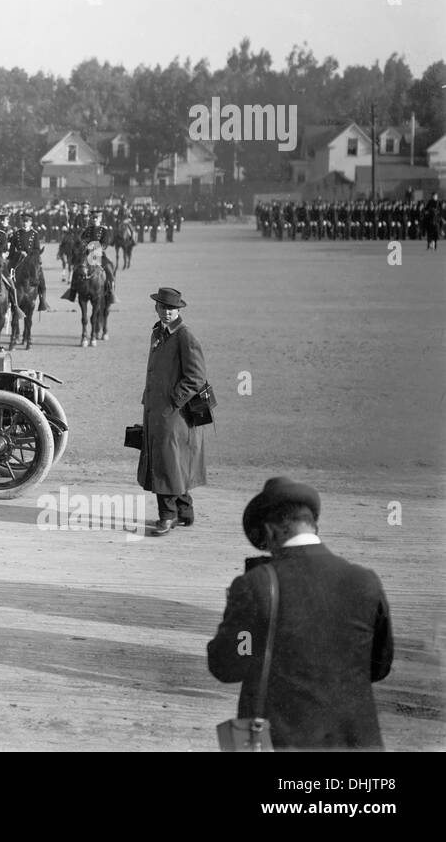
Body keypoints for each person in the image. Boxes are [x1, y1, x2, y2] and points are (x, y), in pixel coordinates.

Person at [207, 476, 394, 749]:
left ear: (271, 531)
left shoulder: (256, 585)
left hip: (279, 741)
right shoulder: (365, 581)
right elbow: (379, 667)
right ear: (312, 525)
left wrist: (244, 626)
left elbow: (227, 666)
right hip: (356, 742)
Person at [138, 286, 207, 534]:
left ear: (178, 310)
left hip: (173, 414)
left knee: (164, 462)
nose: (167, 312)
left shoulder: (185, 337)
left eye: (172, 309)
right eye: (163, 307)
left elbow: (196, 377)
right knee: (174, 462)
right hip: (159, 410)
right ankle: (184, 512)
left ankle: (167, 516)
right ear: (156, 308)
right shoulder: (159, 332)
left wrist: (173, 400)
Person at [7, 211, 49, 312]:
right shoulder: (16, 234)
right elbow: (12, 251)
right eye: (24, 221)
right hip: (18, 259)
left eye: (27, 221)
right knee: (7, 274)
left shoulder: (35, 234)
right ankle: (7, 296)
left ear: (31, 223)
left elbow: (37, 249)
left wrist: (28, 253)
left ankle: (42, 300)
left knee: (41, 277)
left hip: (31, 259)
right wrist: (19, 253)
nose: (25, 223)